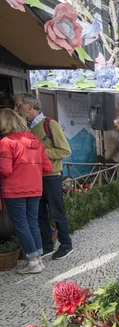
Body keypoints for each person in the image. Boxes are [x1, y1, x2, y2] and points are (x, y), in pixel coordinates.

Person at [13, 92, 73, 260]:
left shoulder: (50, 124)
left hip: (51, 175)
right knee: (39, 214)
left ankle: (66, 245)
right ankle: (47, 245)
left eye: (19, 105)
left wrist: (37, 152)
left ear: (30, 106)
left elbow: (65, 150)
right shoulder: (26, 127)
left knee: (56, 212)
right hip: (33, 177)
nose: (16, 108)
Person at [0, 109, 52, 274]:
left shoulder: (6, 142)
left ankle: (32, 262)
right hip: (35, 189)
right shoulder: (35, 141)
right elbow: (48, 167)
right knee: (32, 223)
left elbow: (5, 170)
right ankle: (38, 260)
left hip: (15, 190)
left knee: (21, 225)